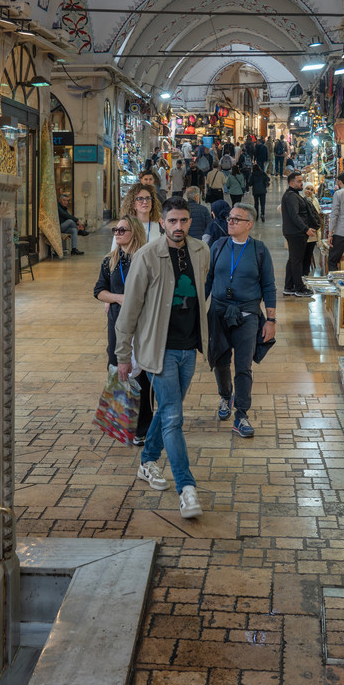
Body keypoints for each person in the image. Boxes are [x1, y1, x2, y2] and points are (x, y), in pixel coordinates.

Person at [115, 198, 211, 517]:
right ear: (163, 223)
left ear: (189, 222)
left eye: (184, 221)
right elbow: (129, 310)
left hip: (189, 347)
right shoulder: (146, 256)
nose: (179, 227)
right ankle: (187, 488)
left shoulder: (201, 252)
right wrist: (123, 354)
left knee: (169, 410)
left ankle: (147, 461)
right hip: (159, 349)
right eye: (173, 221)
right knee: (173, 417)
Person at [205, 203, 276, 439]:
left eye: (237, 219)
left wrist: (271, 320)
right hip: (218, 313)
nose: (230, 222)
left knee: (243, 366)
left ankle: (241, 414)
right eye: (229, 218)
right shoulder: (218, 246)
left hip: (247, 315)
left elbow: (268, 286)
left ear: (249, 224)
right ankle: (225, 396)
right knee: (220, 359)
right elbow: (207, 280)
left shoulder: (259, 250)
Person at [94, 214, 153, 447]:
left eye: (122, 230)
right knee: (119, 369)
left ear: (134, 232)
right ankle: (123, 421)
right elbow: (99, 291)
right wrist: (118, 298)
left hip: (144, 326)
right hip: (118, 324)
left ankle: (143, 427)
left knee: (145, 377)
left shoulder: (147, 259)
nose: (117, 234)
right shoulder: (110, 261)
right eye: (115, 231)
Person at [280, 171, 318, 296]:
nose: (302, 183)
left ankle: (289, 286)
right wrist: (305, 229)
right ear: (292, 183)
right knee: (297, 261)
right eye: (299, 181)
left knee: (293, 260)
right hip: (296, 233)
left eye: (302, 181)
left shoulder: (293, 195)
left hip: (295, 232)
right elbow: (294, 216)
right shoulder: (291, 196)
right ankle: (299, 288)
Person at [302, 183, 324, 278]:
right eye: (307, 188)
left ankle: (305, 275)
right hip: (302, 232)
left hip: (313, 234)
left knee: (308, 256)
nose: (309, 191)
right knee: (301, 256)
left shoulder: (314, 201)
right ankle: (300, 275)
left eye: (311, 190)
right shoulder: (299, 200)